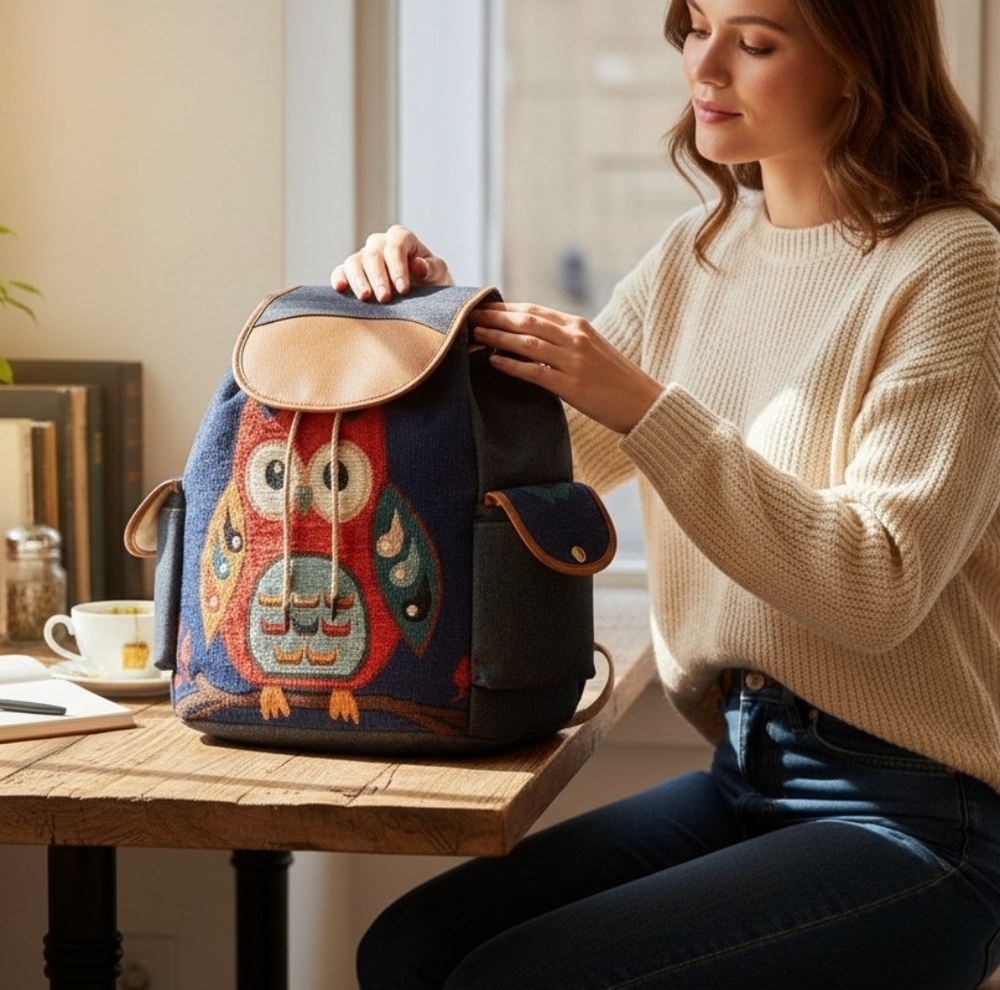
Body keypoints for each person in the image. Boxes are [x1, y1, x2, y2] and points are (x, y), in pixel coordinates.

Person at [332, 0, 1000, 987]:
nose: (705, 66)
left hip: (918, 815)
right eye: (695, 25)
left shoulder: (954, 266)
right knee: (407, 950)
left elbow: (877, 585)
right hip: (748, 770)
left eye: (755, 41)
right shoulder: (699, 252)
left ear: (859, 63)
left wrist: (648, 409)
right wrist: (422, 321)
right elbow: (525, 467)